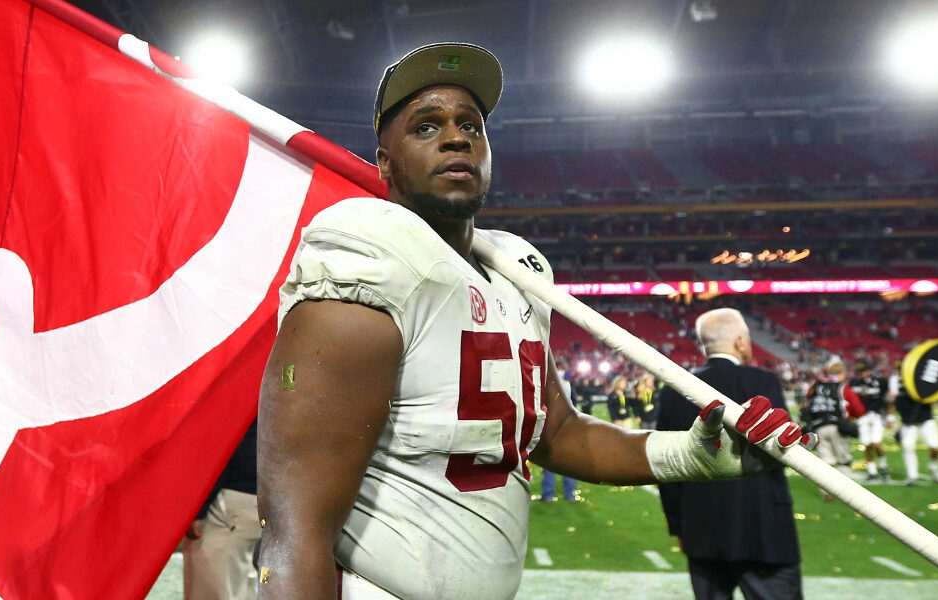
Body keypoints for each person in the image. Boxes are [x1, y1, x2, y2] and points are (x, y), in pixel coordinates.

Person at [256, 43, 811, 600]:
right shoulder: (370, 252)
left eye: (470, 124)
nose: (456, 137)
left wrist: (686, 454)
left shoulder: (518, 269)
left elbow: (557, 432)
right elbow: (293, 524)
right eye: (426, 127)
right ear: (384, 161)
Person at [657, 308, 806, 600]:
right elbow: (779, 450)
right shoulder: (763, 381)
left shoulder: (675, 389)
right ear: (739, 341)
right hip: (763, 528)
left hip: (701, 528)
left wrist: (678, 524)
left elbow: (666, 466)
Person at [184, 420, 262, 600]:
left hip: (232, 497)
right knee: (240, 582)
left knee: (210, 587)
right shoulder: (286, 390)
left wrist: (200, 507)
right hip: (258, 492)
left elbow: (222, 443)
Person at [800, 358, 865, 501]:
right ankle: (845, 494)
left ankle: (826, 491)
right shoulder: (843, 388)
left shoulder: (815, 387)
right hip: (839, 427)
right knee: (843, 461)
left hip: (818, 428)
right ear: (842, 373)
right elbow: (858, 410)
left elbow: (806, 406)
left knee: (825, 462)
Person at [850, 362, 891, 481]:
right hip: (862, 417)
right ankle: (872, 471)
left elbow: (887, 399)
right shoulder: (854, 383)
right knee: (867, 445)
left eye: (864, 371)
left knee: (876, 443)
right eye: (861, 372)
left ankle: (883, 466)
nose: (863, 374)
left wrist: (889, 417)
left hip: (876, 415)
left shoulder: (880, 382)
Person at [894, 386, 938, 485]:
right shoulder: (901, 397)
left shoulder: (923, 390)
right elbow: (901, 410)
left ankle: (934, 468)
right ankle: (912, 476)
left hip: (926, 420)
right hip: (909, 423)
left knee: (935, 446)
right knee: (908, 446)